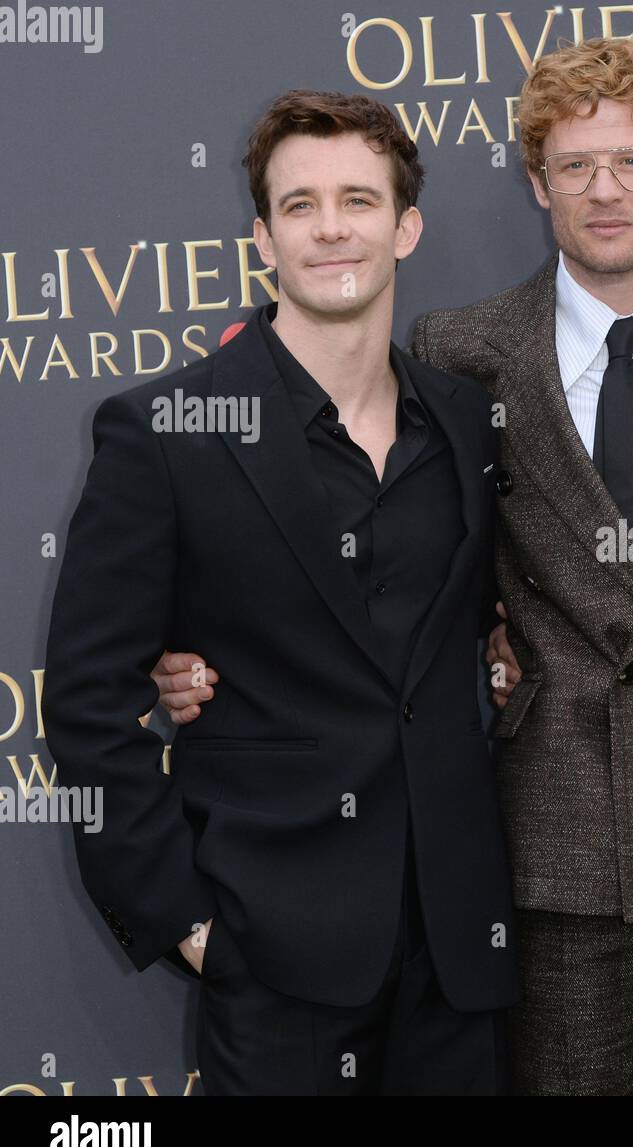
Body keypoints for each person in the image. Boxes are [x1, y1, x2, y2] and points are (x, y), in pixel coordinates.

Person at [159, 37, 633, 1095]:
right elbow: (392, 568)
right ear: (536, 183)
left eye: (631, 161)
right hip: (557, 837)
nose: (603, 191)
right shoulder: (460, 351)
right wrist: (206, 659)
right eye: (573, 166)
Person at [44, 90, 517, 1095]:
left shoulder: (469, 423)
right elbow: (89, 707)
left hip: (459, 959)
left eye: (358, 198)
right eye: (300, 205)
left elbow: (474, 634)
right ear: (262, 237)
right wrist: (190, 926)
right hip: (275, 965)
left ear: (407, 226)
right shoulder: (162, 431)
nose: (332, 227)